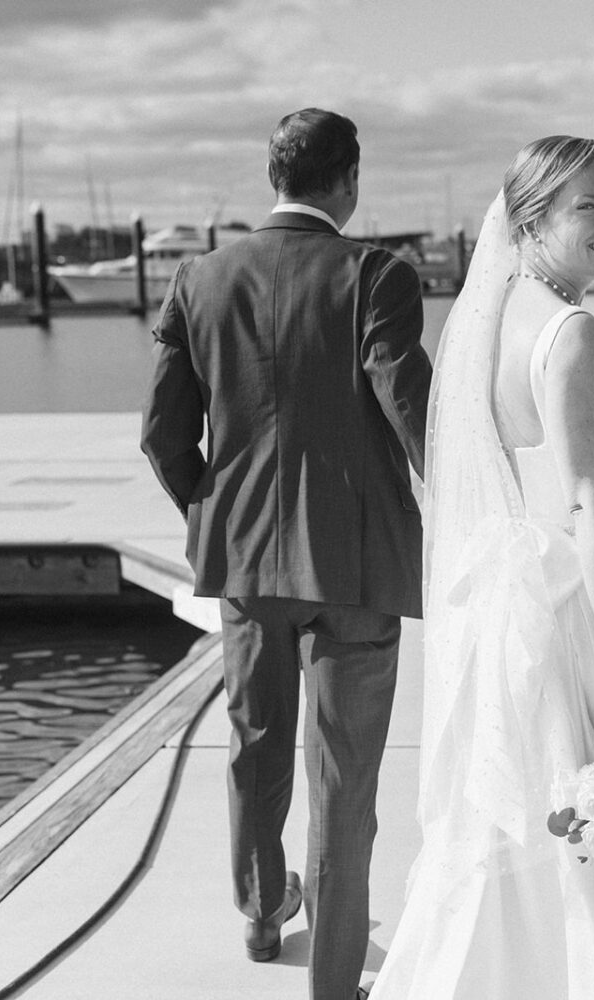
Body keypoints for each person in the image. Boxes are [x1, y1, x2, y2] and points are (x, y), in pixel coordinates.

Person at [370, 136, 594, 998]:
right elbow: (587, 509)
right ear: (531, 220)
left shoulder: (498, 317)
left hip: (533, 597)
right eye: (589, 208)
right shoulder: (574, 337)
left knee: (552, 824)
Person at [140, 107, 431, 1000]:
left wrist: (211, 504)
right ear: (348, 179)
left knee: (258, 741)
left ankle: (265, 913)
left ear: (275, 178)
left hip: (245, 563)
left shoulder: (199, 278)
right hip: (354, 561)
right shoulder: (377, 274)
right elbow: (409, 405)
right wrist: (472, 504)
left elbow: (161, 434)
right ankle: (335, 982)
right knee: (345, 775)